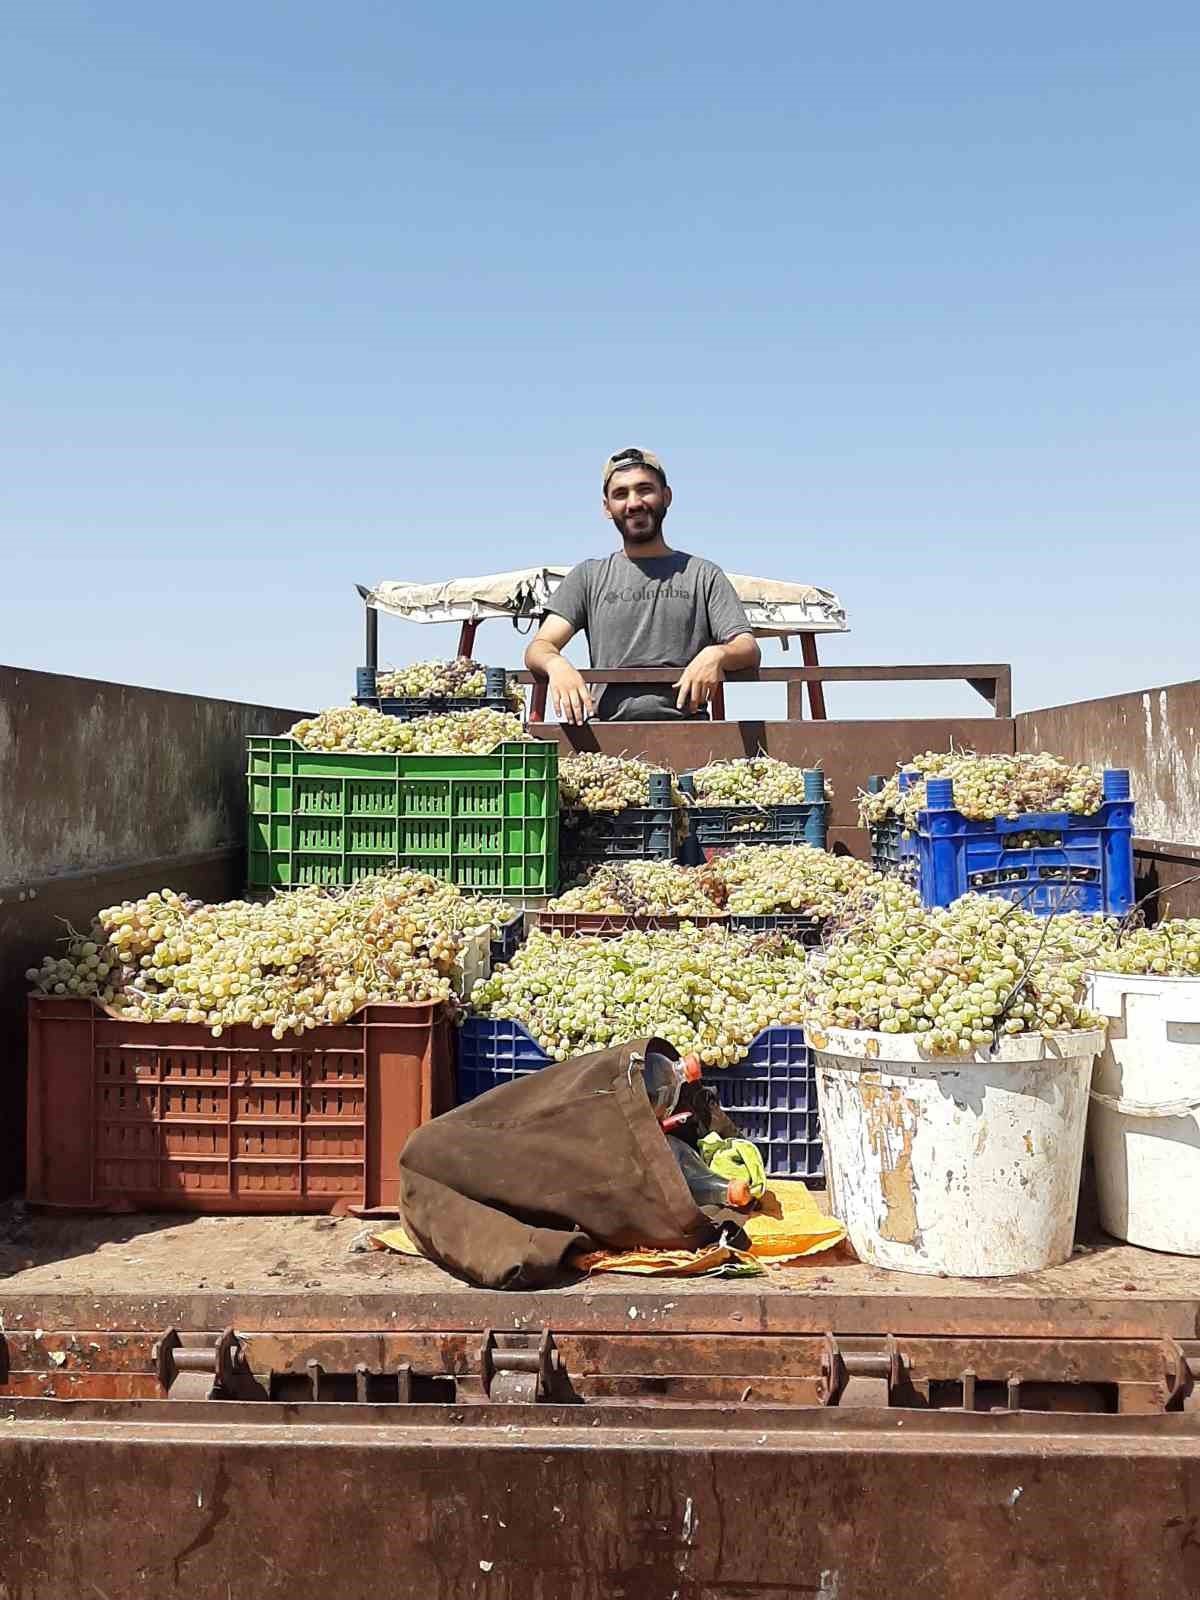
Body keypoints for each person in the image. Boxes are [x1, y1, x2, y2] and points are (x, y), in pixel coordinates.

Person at [525, 448, 761, 723]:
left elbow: (747, 647)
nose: (634, 503)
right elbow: (539, 647)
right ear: (607, 508)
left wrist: (717, 654)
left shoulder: (702, 575)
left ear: (667, 497)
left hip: (691, 736)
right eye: (621, 494)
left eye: (644, 489)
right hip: (605, 740)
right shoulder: (588, 576)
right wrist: (556, 664)